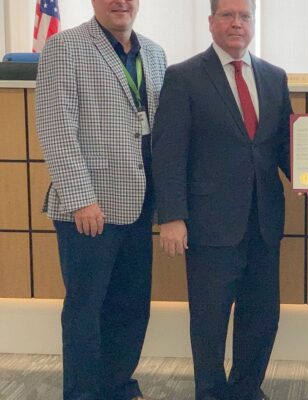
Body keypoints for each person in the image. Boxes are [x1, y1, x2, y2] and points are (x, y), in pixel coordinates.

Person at [151, 0, 291, 398]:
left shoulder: (273, 77)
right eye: (227, 16)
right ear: (211, 23)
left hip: (263, 220)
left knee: (262, 316)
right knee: (209, 321)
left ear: (253, 23)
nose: (236, 24)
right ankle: (210, 392)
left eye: (244, 16)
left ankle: (247, 389)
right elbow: (168, 151)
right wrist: (173, 216)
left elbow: (284, 145)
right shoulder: (184, 77)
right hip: (209, 223)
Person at [35, 0, 167, 399]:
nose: (120, 2)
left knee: (130, 308)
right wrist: (80, 199)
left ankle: (118, 387)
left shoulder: (155, 53)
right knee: (86, 312)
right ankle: (83, 394)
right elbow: (56, 127)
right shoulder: (65, 47)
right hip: (90, 209)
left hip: (140, 205)